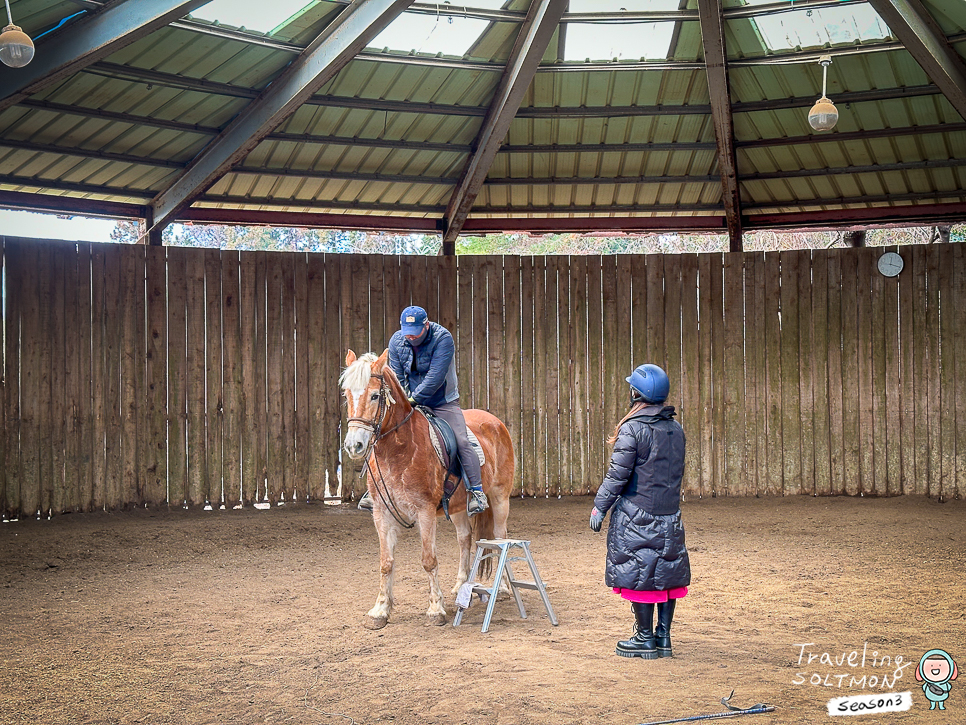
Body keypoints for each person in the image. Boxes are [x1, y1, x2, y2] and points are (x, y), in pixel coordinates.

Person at [589, 363, 690, 659]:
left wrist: (599, 507)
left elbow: (617, 476)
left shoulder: (633, 429)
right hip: (670, 514)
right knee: (666, 573)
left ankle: (644, 638)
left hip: (638, 514)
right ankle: (664, 637)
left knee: (642, 572)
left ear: (637, 393)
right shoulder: (675, 428)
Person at [358, 306, 489, 517]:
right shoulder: (397, 341)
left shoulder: (443, 339)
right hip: (410, 403)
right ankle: (373, 487)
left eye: (415, 330)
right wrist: (404, 402)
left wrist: (414, 399)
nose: (410, 335)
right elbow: (399, 377)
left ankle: (476, 491)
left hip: (442, 402)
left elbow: (435, 378)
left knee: (462, 441)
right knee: (382, 434)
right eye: (406, 330)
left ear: (426, 326)